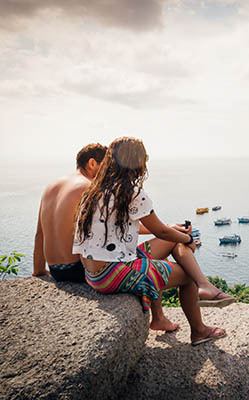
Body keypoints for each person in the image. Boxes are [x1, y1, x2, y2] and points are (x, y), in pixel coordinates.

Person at [73, 137, 233, 345]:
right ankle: (199, 329)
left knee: (172, 242)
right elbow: (162, 232)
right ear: (138, 162)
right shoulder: (131, 192)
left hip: (94, 273)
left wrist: (171, 231)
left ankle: (162, 316)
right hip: (112, 273)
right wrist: (186, 237)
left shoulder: (95, 191)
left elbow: (131, 228)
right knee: (186, 275)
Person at [33, 143, 107, 282]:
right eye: (106, 166)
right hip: (79, 270)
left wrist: (39, 270)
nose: (108, 173)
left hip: (56, 271)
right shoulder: (89, 186)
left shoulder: (51, 186)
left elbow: (40, 233)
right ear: (92, 163)